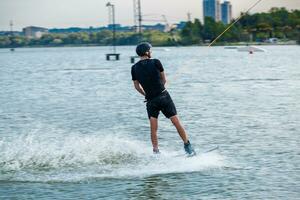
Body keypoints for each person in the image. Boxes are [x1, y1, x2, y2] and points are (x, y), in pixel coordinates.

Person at [131, 42, 196, 155]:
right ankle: (187, 146)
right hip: (163, 96)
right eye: (150, 50)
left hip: (150, 101)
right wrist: (160, 87)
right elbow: (164, 80)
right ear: (147, 52)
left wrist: (146, 94)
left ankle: (156, 151)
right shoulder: (156, 62)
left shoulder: (134, 68)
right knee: (176, 122)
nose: (151, 52)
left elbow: (137, 87)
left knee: (153, 127)